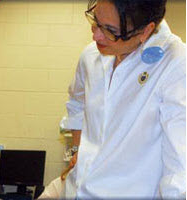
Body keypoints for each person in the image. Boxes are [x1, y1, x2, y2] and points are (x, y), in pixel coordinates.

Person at [60, 0, 186, 199]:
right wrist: (76, 149)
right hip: (75, 191)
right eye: (95, 20)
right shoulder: (91, 54)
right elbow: (76, 103)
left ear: (145, 31)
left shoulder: (176, 63)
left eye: (110, 30)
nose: (95, 35)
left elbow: (181, 165)